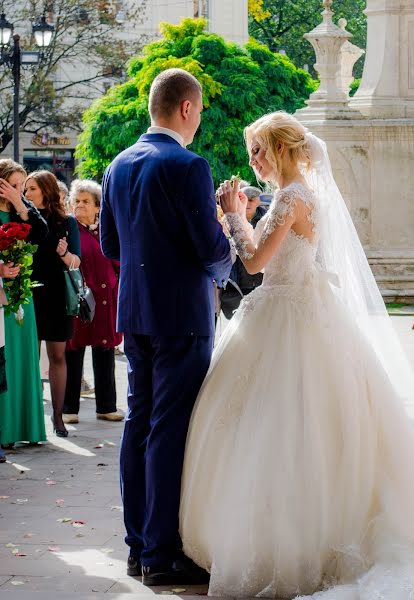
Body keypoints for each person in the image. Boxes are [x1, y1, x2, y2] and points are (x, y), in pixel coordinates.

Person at [180, 111, 414, 598]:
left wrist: (232, 215)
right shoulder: (300, 196)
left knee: (285, 430)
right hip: (293, 308)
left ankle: (289, 544)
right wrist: (246, 217)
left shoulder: (292, 197)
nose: (253, 160)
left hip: (289, 316)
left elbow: (255, 262)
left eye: (259, 150)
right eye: (251, 151)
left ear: (282, 149)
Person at [100, 68, 232, 585]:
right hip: (181, 316)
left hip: (136, 314)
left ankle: (136, 546)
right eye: (198, 110)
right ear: (184, 108)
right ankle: (159, 554)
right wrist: (228, 255)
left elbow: (112, 246)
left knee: (140, 421)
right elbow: (208, 249)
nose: (199, 120)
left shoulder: (118, 164)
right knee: (168, 428)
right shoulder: (187, 165)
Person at [25, 171, 81, 438]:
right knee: (30, 358)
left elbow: (77, 262)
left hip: (58, 296)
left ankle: (58, 416)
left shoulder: (66, 222)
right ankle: (31, 416)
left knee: (58, 356)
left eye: (31, 189)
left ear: (45, 191)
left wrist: (64, 253)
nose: (26, 194)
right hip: (29, 295)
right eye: (25, 190)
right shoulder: (21, 218)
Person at [63, 179, 124, 424]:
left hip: (106, 299)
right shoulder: (68, 229)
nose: (79, 206)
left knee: (105, 352)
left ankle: (106, 406)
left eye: (86, 202)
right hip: (78, 298)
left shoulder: (107, 229)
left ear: (98, 206)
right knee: (73, 352)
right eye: (76, 201)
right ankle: (69, 409)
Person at [0, 160, 47, 449]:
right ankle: (5, 430)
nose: (20, 190)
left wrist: (20, 203)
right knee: (4, 358)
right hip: (0, 292)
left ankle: (26, 426)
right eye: (13, 185)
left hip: (22, 291)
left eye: (22, 185)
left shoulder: (23, 209)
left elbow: (42, 235)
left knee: (23, 356)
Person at [219, 186, 266, 319]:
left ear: (258, 201)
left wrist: (232, 217)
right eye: (247, 200)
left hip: (260, 283)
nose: (248, 204)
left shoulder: (266, 216)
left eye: (252, 200)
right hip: (238, 282)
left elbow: (255, 263)